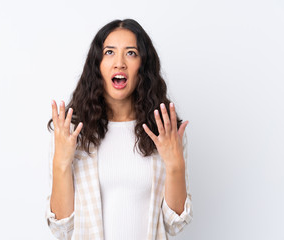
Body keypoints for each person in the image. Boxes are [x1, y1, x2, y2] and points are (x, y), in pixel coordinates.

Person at [46, 19, 193, 240]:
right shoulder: (73, 132)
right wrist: (61, 163)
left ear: (143, 66)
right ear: (97, 64)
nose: (119, 63)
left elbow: (175, 224)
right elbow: (62, 228)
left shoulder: (165, 132)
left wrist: (175, 165)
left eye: (131, 53)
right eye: (109, 53)